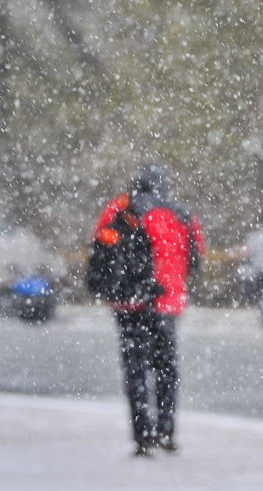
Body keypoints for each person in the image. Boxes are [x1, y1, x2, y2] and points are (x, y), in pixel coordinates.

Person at [93, 162, 205, 456]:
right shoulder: (181, 214)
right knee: (166, 369)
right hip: (167, 303)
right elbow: (196, 259)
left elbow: (101, 249)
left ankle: (142, 436)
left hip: (131, 304)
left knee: (136, 371)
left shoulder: (122, 210)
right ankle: (167, 430)